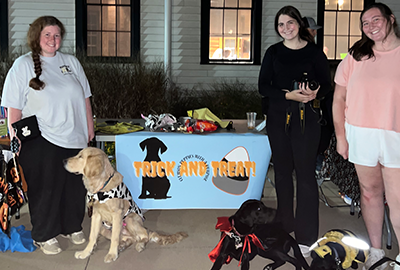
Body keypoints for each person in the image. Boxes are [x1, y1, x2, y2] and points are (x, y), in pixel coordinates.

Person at [1, 16, 94, 255]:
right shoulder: (22, 65)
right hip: (42, 139)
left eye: (56, 35)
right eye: (47, 35)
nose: (53, 40)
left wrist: (89, 128)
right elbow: (13, 107)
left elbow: (85, 98)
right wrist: (15, 137)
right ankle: (44, 234)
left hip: (75, 137)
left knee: (74, 189)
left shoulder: (71, 62)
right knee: (46, 189)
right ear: (37, 37)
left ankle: (72, 226)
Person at [258, 6, 331, 256]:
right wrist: (286, 94)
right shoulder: (273, 52)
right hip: (278, 118)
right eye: (281, 24)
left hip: (307, 120)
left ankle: (307, 236)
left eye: (290, 23)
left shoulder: (313, 52)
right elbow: (262, 86)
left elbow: (327, 84)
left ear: (299, 25)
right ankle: (283, 226)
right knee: (281, 174)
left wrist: (314, 93)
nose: (285, 28)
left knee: (306, 176)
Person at [333, 3, 400, 270]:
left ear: (391, 20)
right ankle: (375, 251)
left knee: (397, 199)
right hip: (361, 134)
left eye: (375, 20)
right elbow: (339, 99)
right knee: (370, 193)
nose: (370, 26)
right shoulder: (355, 56)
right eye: (364, 23)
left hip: (395, 135)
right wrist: (341, 137)